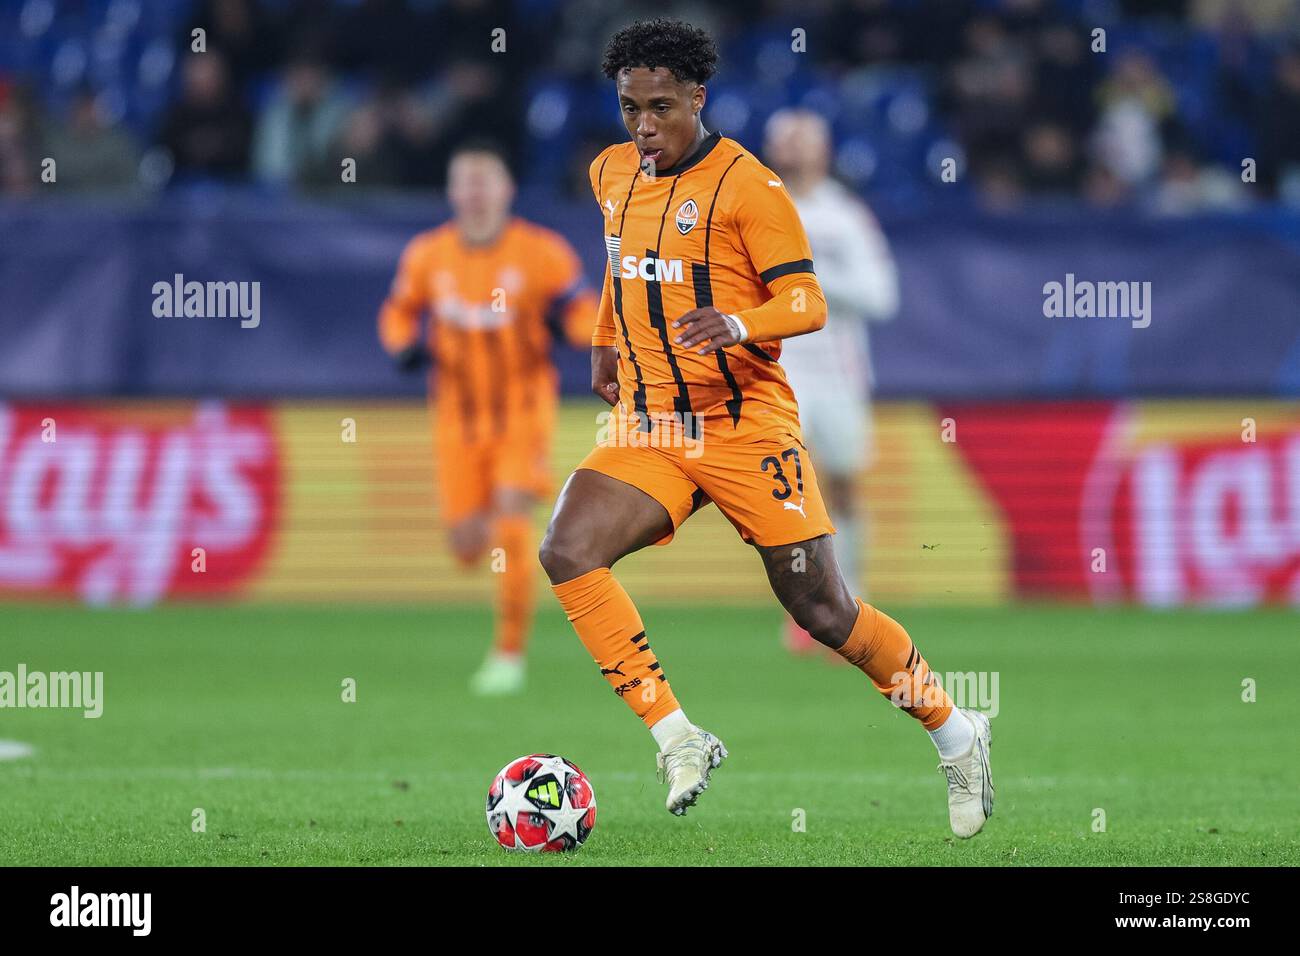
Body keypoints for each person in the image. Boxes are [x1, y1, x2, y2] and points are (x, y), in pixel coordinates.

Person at [538, 17, 993, 837]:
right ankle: (678, 736)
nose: (644, 125)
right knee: (568, 549)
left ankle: (958, 735)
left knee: (823, 610)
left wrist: (740, 325)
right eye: (630, 106)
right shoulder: (613, 173)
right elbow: (619, 263)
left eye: (661, 107)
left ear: (699, 99)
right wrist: (606, 345)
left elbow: (808, 302)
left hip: (747, 426)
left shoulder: (751, 187)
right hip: (652, 427)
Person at [378, 141, 595, 695]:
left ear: (507, 190)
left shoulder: (540, 252)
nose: (475, 193)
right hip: (456, 418)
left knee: (510, 519)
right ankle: (503, 632)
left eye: (485, 181)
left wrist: (572, 331)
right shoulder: (428, 255)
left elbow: (582, 307)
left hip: (523, 411)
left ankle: (508, 653)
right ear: (452, 193)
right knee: (468, 545)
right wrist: (403, 345)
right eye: (465, 182)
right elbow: (398, 312)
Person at [762, 108, 899, 654]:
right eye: (785, 140)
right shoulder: (758, 208)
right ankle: (808, 608)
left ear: (823, 149)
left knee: (841, 483)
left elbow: (882, 297)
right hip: (777, 370)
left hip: (838, 373)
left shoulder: (846, 217)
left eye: (804, 140)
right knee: (794, 488)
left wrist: (810, 276)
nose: (794, 149)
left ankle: (852, 600)